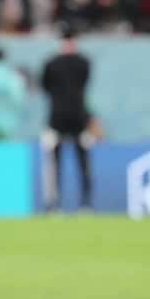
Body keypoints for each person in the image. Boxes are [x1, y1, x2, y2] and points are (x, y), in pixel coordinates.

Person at [40, 26, 94, 212]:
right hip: (78, 117)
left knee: (55, 164)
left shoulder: (51, 63)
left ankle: (54, 205)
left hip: (57, 119)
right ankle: (85, 204)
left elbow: (45, 86)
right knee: (83, 163)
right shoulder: (83, 62)